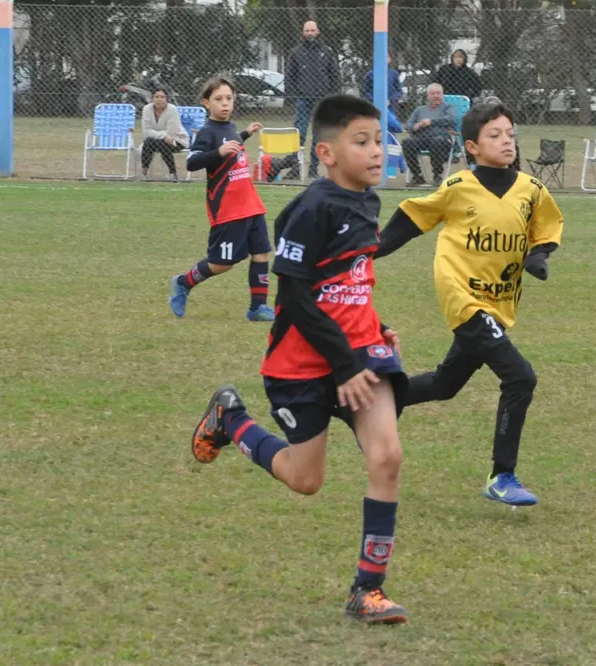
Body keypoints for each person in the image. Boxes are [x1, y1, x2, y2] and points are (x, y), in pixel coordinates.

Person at [190, 94, 410, 624]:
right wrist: (343, 364)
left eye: (379, 141)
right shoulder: (310, 210)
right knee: (305, 479)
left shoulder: (368, 202)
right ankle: (230, 419)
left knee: (387, 457)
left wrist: (375, 328)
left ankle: (368, 590)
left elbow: (351, 278)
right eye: (361, 142)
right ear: (327, 153)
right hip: (302, 363)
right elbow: (295, 295)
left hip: (360, 356)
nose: (376, 152)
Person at [377, 101, 564, 507]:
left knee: (445, 386)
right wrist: (369, 250)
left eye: (510, 134)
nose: (506, 141)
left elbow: (547, 227)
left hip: (498, 304)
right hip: (462, 297)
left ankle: (377, 401)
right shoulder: (459, 186)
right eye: (494, 135)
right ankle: (502, 476)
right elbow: (413, 218)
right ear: (472, 147)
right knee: (521, 378)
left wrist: (538, 256)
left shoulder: (531, 190)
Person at [169, 77, 275, 322]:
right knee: (222, 263)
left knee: (261, 253)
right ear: (206, 103)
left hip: (251, 205)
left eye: (229, 98)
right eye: (218, 99)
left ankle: (258, 307)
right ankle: (184, 282)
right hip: (228, 209)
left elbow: (230, 141)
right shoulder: (207, 132)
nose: (225, 103)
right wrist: (218, 152)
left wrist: (246, 133)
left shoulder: (230, 127)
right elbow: (192, 162)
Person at [285, 21, 340, 179]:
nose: (310, 33)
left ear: (318, 31)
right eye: (307, 30)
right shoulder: (296, 52)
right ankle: (296, 168)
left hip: (321, 101)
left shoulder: (327, 52)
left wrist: (332, 97)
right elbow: (290, 76)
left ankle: (313, 170)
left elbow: (335, 76)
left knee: (318, 137)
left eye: (312, 30)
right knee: (299, 134)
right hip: (302, 100)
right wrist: (294, 95)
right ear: (303, 32)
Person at [402, 83, 457, 187]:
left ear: (442, 95)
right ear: (427, 96)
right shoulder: (419, 109)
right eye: (432, 93)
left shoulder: (448, 108)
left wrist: (431, 121)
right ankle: (417, 176)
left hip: (441, 139)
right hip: (421, 138)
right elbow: (409, 124)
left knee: (437, 142)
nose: (436, 96)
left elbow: (451, 119)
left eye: (438, 93)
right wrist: (416, 125)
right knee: (407, 142)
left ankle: (437, 175)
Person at [140, 87, 189, 181]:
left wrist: (158, 134)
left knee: (159, 142)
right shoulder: (146, 109)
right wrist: (163, 135)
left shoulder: (172, 109)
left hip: (176, 140)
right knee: (149, 141)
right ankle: (144, 173)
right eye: (156, 97)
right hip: (156, 141)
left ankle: (172, 173)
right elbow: (146, 131)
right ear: (152, 98)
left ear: (167, 99)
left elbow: (171, 132)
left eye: (162, 97)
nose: (159, 99)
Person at [361, 51, 403, 116]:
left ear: (390, 59)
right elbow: (365, 91)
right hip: (374, 105)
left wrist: (390, 100)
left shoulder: (394, 74)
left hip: (391, 106)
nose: (384, 58)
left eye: (387, 56)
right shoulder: (370, 74)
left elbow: (399, 91)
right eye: (382, 56)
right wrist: (376, 99)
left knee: (392, 121)